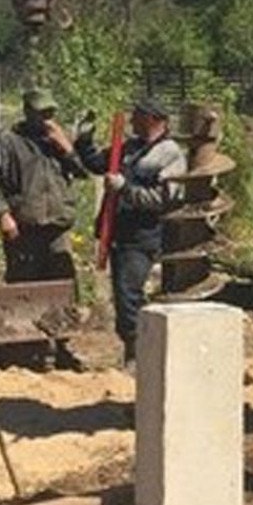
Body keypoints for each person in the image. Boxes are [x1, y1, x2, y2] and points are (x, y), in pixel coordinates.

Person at [79, 94, 186, 366]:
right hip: (119, 233)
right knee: (124, 295)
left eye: (138, 116)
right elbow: (96, 164)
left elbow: (164, 199)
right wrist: (84, 140)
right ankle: (134, 350)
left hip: (143, 236)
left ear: (154, 120)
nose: (132, 121)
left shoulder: (169, 154)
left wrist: (125, 189)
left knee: (129, 294)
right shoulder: (129, 148)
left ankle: (139, 356)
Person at [0, 88, 87, 283]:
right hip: (24, 228)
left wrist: (66, 148)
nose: (46, 119)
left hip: (56, 226)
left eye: (50, 113)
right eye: (41, 113)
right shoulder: (8, 141)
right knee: (23, 286)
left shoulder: (59, 139)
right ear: (28, 112)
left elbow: (83, 172)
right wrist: (2, 215)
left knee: (63, 285)